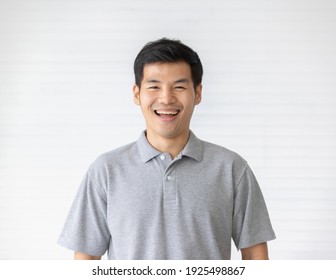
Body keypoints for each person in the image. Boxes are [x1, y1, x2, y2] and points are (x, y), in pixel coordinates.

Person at [57, 38, 276, 260]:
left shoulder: (231, 169)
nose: (166, 98)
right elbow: (87, 259)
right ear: (136, 94)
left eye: (179, 87)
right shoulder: (105, 170)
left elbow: (255, 257)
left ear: (197, 93)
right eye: (154, 86)